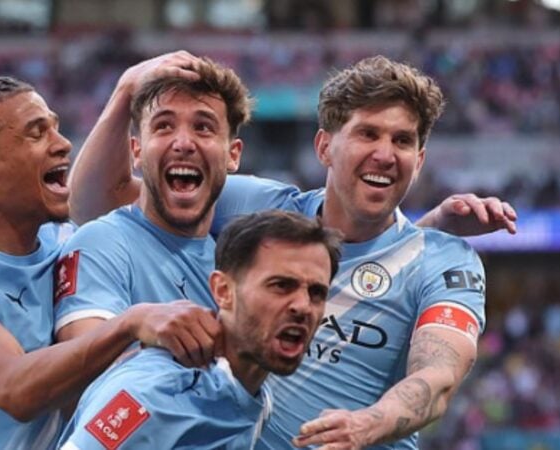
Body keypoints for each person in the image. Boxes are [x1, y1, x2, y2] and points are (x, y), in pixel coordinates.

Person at [66, 54, 515, 449]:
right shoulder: (261, 209)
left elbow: (438, 376)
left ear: (419, 161)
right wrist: (125, 92)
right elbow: (98, 202)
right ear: (325, 147)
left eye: (402, 141)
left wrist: (368, 424)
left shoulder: (443, 261)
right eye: (367, 134)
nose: (384, 154)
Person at [0, 75, 219, 449]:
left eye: (55, 127)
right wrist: (130, 324)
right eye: (36, 134)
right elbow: (15, 388)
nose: (63, 144)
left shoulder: (70, 241)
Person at [58, 210, 341, 450]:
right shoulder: (152, 394)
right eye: (281, 286)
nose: (303, 306)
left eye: (316, 293)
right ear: (223, 291)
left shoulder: (255, 395)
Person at [53, 56, 248, 367]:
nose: (183, 143)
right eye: (164, 126)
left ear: (233, 155)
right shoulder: (102, 243)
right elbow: (84, 369)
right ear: (137, 151)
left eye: (203, 127)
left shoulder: (236, 263)